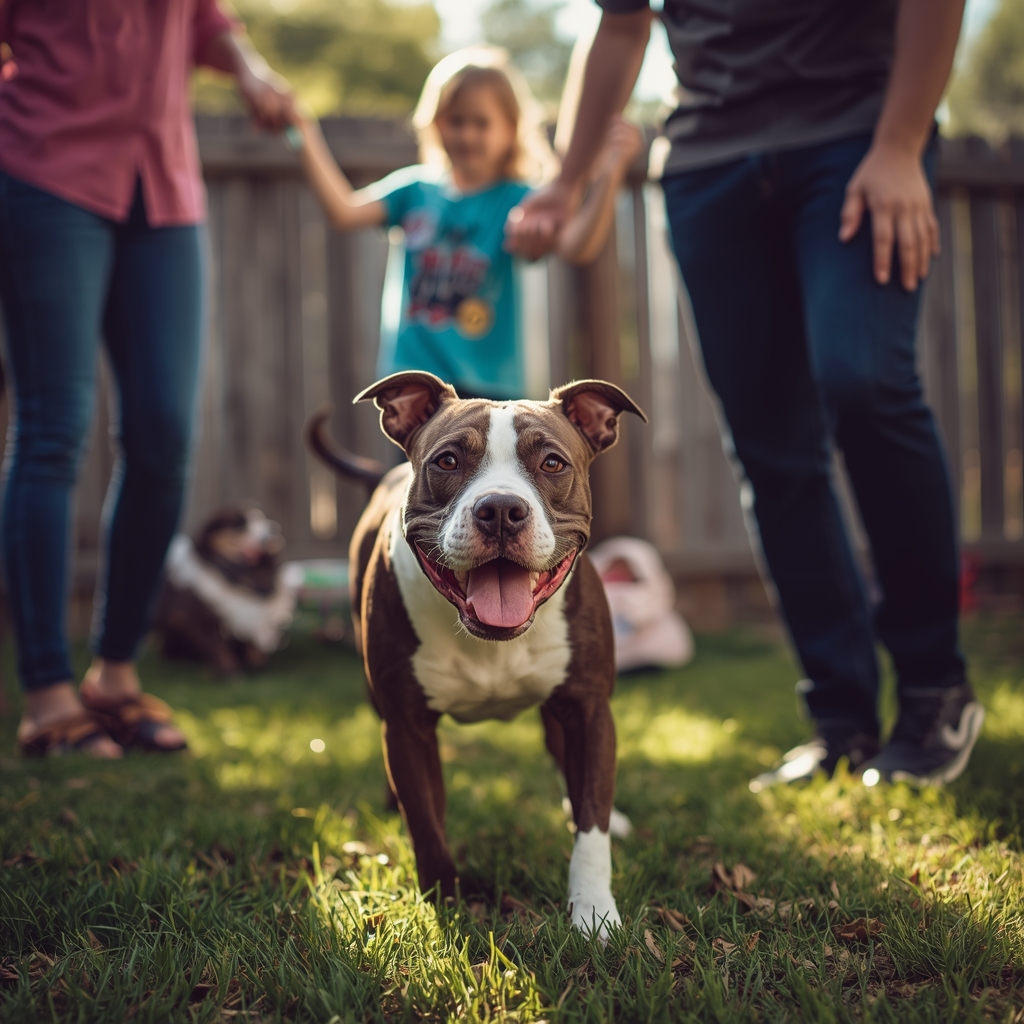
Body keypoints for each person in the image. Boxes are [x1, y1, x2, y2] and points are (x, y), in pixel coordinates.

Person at [506, 0, 985, 789]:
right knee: (769, 440)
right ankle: (842, 720)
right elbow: (622, 24)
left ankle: (936, 688)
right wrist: (564, 179)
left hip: (855, 136)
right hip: (709, 162)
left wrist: (900, 142)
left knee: (866, 379)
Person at [0, 1, 294, 757]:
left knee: (164, 432)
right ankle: (45, 693)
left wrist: (251, 71)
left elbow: (201, 18)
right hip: (44, 171)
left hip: (162, 182)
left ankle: (116, 675)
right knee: (53, 429)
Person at [289, 46, 642, 400]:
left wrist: (611, 173)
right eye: (456, 121)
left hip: (488, 384)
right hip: (413, 378)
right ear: (435, 123)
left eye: (481, 123)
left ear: (511, 129)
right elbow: (344, 210)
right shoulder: (414, 190)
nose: (467, 135)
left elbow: (577, 246)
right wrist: (303, 130)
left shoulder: (519, 200)